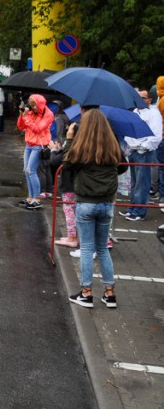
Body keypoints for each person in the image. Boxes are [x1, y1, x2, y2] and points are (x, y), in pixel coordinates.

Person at [62, 110, 124, 308]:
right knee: (102, 249)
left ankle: (86, 293)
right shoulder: (112, 146)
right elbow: (122, 167)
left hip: (86, 202)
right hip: (107, 203)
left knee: (87, 249)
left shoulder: (82, 147)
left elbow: (66, 163)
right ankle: (110, 294)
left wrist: (70, 138)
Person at [120, 88, 163, 221]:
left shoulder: (153, 114)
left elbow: (156, 136)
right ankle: (133, 207)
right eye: (137, 98)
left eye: (143, 98)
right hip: (132, 150)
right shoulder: (134, 112)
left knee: (142, 182)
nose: (140, 100)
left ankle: (140, 211)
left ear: (149, 100)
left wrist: (143, 147)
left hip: (143, 152)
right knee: (134, 182)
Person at [16, 93, 55, 209]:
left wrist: (26, 117)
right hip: (29, 144)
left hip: (39, 145)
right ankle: (30, 197)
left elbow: (37, 128)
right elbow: (20, 127)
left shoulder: (48, 115)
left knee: (31, 170)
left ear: (40, 104)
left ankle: (37, 199)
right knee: (26, 171)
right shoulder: (31, 112)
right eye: (31, 105)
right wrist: (22, 115)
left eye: (34, 106)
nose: (32, 108)